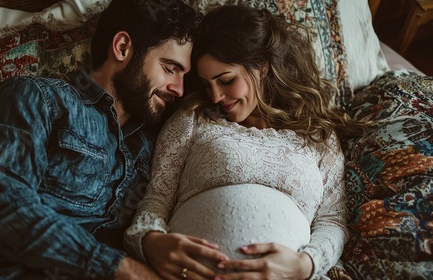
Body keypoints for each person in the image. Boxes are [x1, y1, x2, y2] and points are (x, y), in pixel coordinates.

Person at [0, 0, 202, 279]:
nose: (179, 88)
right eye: (170, 68)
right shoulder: (36, 99)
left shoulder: (154, 147)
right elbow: (0, 206)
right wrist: (123, 269)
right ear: (123, 47)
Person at [124, 5, 371, 280]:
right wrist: (150, 241)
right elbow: (156, 199)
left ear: (261, 67)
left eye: (226, 80)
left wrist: (306, 265)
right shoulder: (194, 118)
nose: (216, 96)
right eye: (207, 84)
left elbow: (333, 221)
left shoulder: (318, 136)